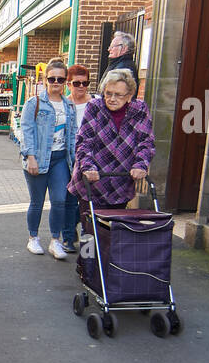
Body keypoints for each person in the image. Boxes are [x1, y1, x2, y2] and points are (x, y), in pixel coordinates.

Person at [68, 67, 155, 211]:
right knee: (93, 226)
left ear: (129, 95)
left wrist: (141, 164)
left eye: (118, 95)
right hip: (92, 181)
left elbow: (146, 142)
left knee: (115, 228)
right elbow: (84, 141)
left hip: (121, 182)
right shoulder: (95, 107)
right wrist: (88, 166)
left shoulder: (139, 110)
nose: (112, 99)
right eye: (108, 93)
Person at [19, 57, 77, 259]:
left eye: (60, 80)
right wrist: (31, 156)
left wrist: (75, 160)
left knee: (59, 200)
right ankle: (33, 238)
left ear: (65, 81)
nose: (56, 83)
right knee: (37, 201)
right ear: (45, 79)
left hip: (61, 159)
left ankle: (55, 240)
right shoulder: (33, 103)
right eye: (52, 79)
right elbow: (26, 131)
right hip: (39, 157)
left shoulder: (69, 106)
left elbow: (72, 135)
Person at [62, 64, 91, 251]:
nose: (81, 86)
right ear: (68, 84)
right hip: (67, 156)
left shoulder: (95, 103)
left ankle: (88, 240)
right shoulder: (63, 103)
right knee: (69, 198)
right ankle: (69, 237)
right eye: (77, 83)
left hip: (88, 157)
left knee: (87, 200)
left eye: (85, 83)